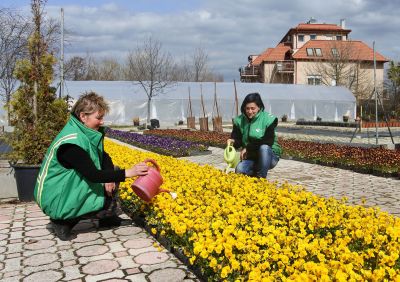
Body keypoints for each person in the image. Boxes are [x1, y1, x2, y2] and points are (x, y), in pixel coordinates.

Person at [34, 91, 149, 241]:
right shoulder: (71, 143)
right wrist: (129, 172)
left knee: (111, 173)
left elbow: (103, 156)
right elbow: (93, 175)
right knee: (108, 176)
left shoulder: (84, 132)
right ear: (83, 116)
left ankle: (106, 216)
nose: (102, 122)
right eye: (98, 118)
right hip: (57, 196)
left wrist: (110, 178)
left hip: (65, 188)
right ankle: (62, 222)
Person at [227, 92, 281, 178]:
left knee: (264, 147)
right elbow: (238, 141)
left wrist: (248, 148)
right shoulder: (239, 120)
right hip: (252, 157)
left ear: (259, 107)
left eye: (253, 108)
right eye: (247, 108)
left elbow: (267, 141)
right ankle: (255, 175)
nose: (249, 111)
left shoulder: (268, 119)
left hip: (269, 156)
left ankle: (261, 179)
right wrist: (233, 141)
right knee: (240, 169)